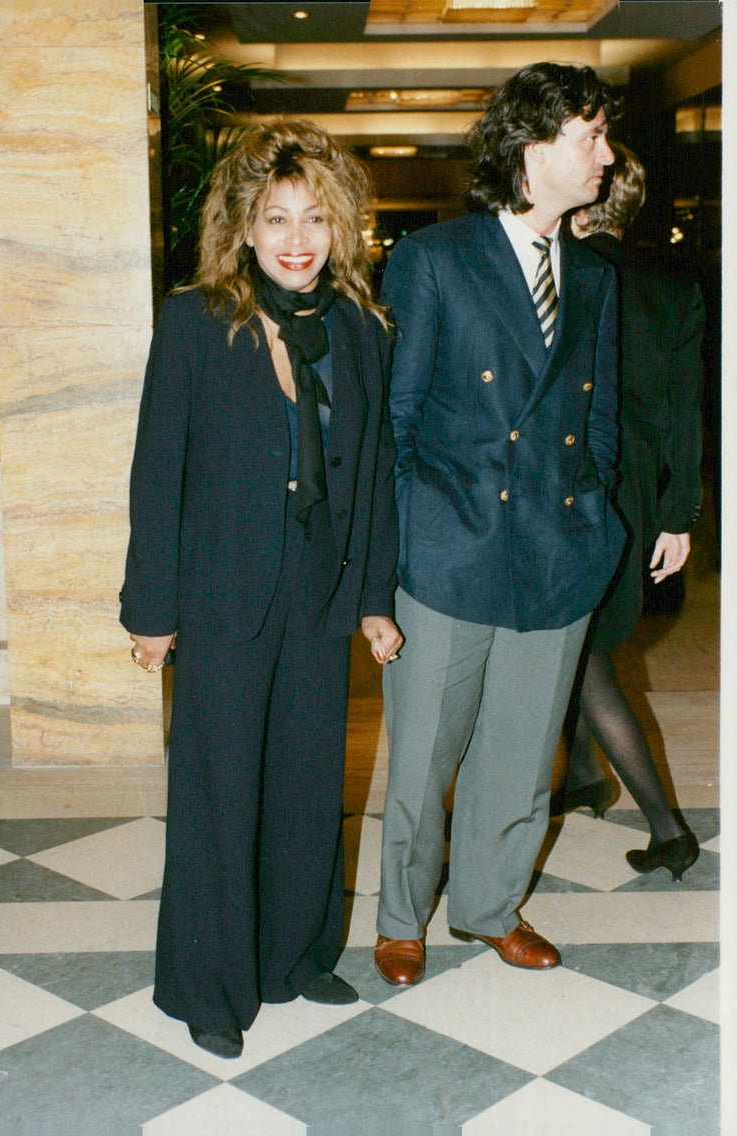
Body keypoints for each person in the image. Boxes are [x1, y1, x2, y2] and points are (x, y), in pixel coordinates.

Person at [120, 119, 402, 1058]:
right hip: (220, 594)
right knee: (217, 788)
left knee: (309, 781)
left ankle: (293, 956)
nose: (295, 237)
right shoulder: (195, 322)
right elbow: (159, 469)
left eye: (315, 218)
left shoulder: (361, 328)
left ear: (341, 229)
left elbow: (373, 471)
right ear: (242, 227)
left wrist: (373, 598)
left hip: (320, 596)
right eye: (276, 216)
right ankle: (208, 984)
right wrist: (150, 611)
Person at [374, 62, 626, 988]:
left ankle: (487, 906)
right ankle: (402, 916)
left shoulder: (594, 276)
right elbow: (394, 422)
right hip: (449, 552)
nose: (605, 154)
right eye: (589, 136)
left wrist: (597, 523)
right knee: (423, 761)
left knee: (523, 761)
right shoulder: (436, 259)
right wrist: (407, 544)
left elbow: (598, 419)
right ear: (533, 147)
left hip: (558, 553)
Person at [552, 142, 703, 881]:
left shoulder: (568, 277)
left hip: (577, 485)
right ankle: (582, 774)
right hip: (640, 492)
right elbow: (685, 418)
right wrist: (679, 518)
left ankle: (667, 825)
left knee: (580, 650)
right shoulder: (675, 292)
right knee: (587, 641)